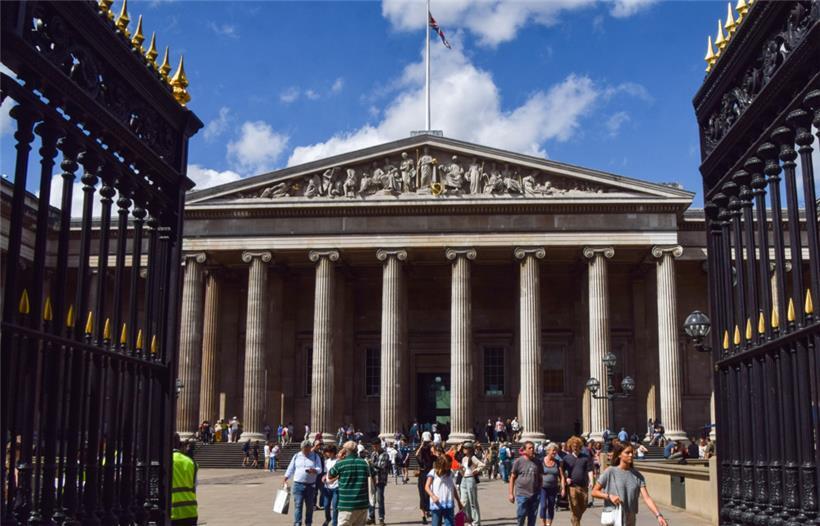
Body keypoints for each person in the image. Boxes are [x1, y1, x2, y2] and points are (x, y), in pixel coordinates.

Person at [591, 442, 669, 526]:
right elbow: (594, 492)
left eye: (632, 452)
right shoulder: (610, 471)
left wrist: (658, 515)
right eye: (627, 453)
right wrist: (609, 496)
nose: (631, 455)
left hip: (630, 520)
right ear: (619, 455)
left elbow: (647, 498)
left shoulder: (638, 476)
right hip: (614, 518)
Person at [328, 441, 371, 526]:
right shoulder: (364, 463)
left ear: (345, 451)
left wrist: (339, 459)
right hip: (362, 504)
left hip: (346, 505)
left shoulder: (341, 463)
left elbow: (330, 475)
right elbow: (371, 475)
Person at [284, 439, 324, 526]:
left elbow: (320, 469)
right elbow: (291, 468)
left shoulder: (315, 456)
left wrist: (314, 470)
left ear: (310, 448)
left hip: (310, 486)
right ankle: (297, 523)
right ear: (301, 448)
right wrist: (286, 477)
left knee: (309, 507)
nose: (306, 452)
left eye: (308, 450)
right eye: (304, 450)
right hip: (298, 485)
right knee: (298, 505)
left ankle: (308, 523)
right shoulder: (296, 456)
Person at [508, 441, 542, 526]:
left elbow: (540, 477)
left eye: (533, 448)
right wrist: (511, 493)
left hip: (535, 494)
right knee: (521, 515)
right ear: (524, 450)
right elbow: (512, 478)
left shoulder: (537, 462)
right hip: (522, 493)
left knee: (532, 517)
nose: (532, 450)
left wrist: (540, 490)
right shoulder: (518, 461)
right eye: (529, 448)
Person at [425, 454, 464, 526]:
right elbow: (427, 487)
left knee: (450, 524)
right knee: (436, 524)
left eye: (450, 465)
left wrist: (458, 501)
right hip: (437, 503)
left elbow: (452, 487)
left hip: (448, 503)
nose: (450, 466)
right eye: (448, 465)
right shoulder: (433, 472)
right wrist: (433, 496)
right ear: (442, 464)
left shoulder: (450, 473)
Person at [563, 436, 593, 526]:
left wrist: (591, 481)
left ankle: (574, 519)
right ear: (570, 447)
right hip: (572, 486)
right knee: (574, 506)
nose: (575, 447)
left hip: (584, 486)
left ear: (580, 446)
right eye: (573, 446)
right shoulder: (566, 458)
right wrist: (566, 478)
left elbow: (590, 470)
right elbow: (562, 472)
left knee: (584, 505)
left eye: (577, 445)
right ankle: (576, 523)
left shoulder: (586, 457)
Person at [171, 433, 198, 526]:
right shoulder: (191, 462)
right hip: (190, 510)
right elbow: (195, 485)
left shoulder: (166, 460)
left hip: (172, 511)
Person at [458, 442, 485, 526]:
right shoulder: (463, 458)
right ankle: (468, 519)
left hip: (470, 479)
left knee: (473, 501)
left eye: (465, 448)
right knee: (463, 501)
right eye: (463, 448)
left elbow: (482, 465)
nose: (464, 449)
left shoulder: (473, 458)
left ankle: (476, 522)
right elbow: (463, 472)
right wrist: (460, 469)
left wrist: (476, 470)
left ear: (470, 449)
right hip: (464, 479)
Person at [539, 443, 565, 526]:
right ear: (548, 451)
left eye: (556, 450)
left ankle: (549, 524)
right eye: (553, 450)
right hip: (543, 488)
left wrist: (563, 488)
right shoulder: (541, 461)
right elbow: (537, 474)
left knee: (551, 506)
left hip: (553, 488)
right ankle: (543, 523)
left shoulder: (557, 462)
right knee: (543, 506)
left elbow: (562, 476)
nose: (555, 452)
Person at [367, 438, 390, 525]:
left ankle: (381, 518)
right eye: (373, 447)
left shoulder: (385, 454)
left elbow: (382, 466)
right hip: (372, 479)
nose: (374, 448)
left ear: (380, 445)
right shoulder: (373, 454)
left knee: (380, 499)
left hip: (381, 480)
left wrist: (371, 464)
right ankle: (371, 516)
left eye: (376, 446)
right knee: (371, 498)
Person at [416, 436, 436, 524]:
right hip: (429, 477)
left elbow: (416, 454)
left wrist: (421, 445)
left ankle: (424, 516)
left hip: (423, 477)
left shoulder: (422, 459)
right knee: (428, 495)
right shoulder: (430, 458)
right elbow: (440, 457)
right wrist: (433, 446)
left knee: (423, 497)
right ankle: (427, 512)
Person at [322, 444, 340, 526]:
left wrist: (333, 480)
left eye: (328, 452)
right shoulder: (326, 461)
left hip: (336, 486)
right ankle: (328, 518)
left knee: (335, 506)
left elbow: (339, 474)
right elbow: (326, 472)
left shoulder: (338, 461)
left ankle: (334, 523)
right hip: (327, 487)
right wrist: (324, 477)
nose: (327, 454)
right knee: (326, 505)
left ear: (333, 452)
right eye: (326, 452)